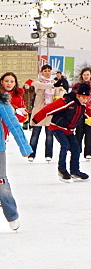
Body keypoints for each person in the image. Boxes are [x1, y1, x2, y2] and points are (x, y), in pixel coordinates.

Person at [31, 82, 91, 181]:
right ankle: (62, 170)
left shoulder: (83, 107)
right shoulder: (67, 101)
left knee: (76, 149)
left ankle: (75, 171)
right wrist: (36, 119)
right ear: (78, 96)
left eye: (86, 98)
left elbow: (90, 118)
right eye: (83, 98)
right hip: (57, 127)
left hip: (69, 131)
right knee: (65, 145)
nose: (85, 100)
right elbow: (49, 109)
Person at [0, 89, 32, 230]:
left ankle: (11, 214)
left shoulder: (1, 102)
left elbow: (13, 124)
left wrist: (24, 147)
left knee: (1, 182)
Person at [28, 64, 55, 161]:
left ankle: (48, 155)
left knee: (49, 134)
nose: (47, 72)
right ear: (41, 72)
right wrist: (53, 85)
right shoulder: (37, 81)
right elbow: (40, 86)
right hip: (39, 111)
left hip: (49, 111)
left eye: (49, 70)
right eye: (45, 70)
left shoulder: (54, 82)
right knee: (35, 134)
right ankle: (31, 154)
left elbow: (59, 92)